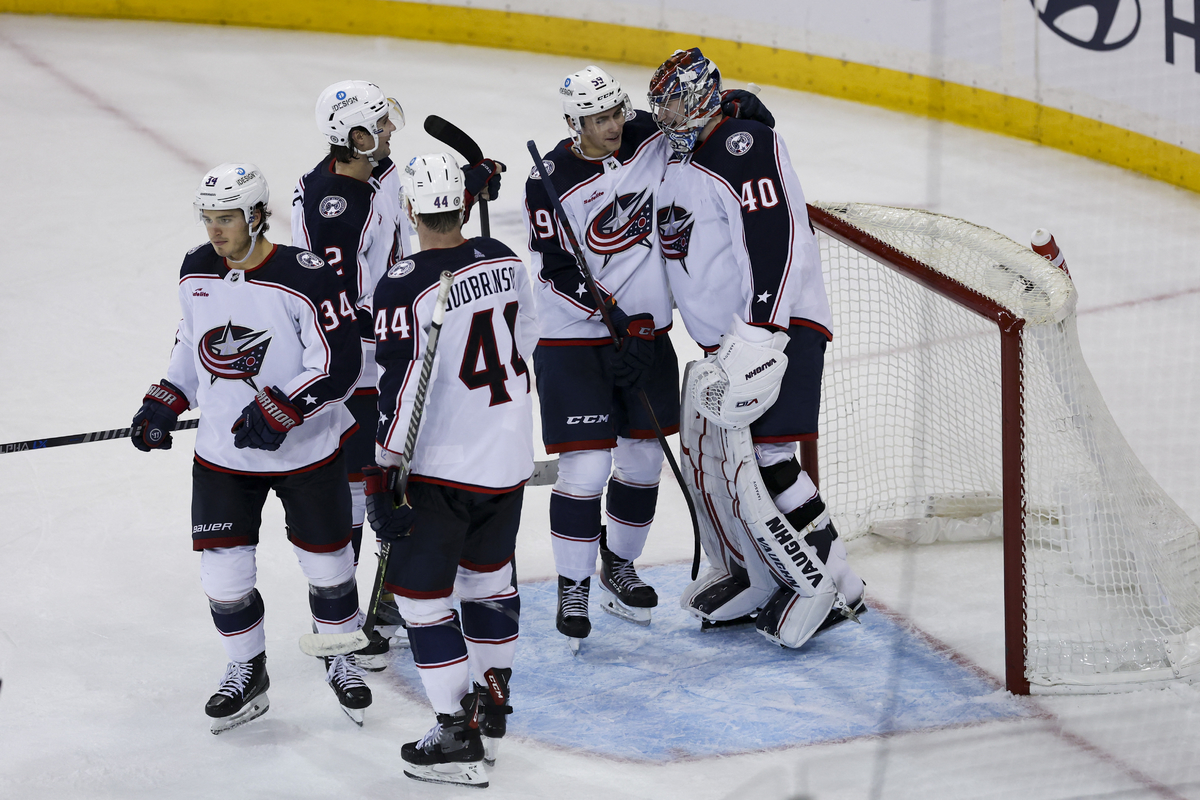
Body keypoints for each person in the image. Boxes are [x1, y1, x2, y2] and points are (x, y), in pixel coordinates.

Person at [523, 65, 775, 649]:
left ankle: (619, 564)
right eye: (598, 119)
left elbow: (695, 110)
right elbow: (558, 269)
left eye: (617, 113)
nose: (614, 126)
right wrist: (616, 319)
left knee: (640, 463)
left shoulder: (647, 134)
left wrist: (739, 104)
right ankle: (573, 585)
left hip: (648, 335)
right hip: (573, 338)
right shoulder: (551, 179)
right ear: (572, 122)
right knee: (586, 471)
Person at [130, 163, 372, 733]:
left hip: (305, 453)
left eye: (227, 219)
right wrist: (166, 397)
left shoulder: (304, 275)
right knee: (224, 579)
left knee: (330, 566)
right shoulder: (196, 269)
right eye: (208, 219)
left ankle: (341, 657)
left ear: (258, 216)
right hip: (223, 457)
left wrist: (285, 407)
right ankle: (247, 671)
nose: (215, 231)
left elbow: (339, 363)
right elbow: (192, 343)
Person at [648, 48, 867, 650]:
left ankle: (836, 580)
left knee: (769, 457)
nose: (661, 112)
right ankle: (760, 576)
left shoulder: (741, 145)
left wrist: (763, 329)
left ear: (697, 97)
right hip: (734, 340)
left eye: (670, 99)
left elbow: (776, 238)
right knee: (728, 462)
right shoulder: (683, 155)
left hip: (778, 329)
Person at [292, 81, 503, 664]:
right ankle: (359, 615)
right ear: (352, 138)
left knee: (393, 479)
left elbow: (411, 193)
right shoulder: (332, 208)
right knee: (367, 488)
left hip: (385, 350)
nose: (390, 133)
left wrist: (463, 187)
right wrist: (395, 337)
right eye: (379, 127)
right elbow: (334, 304)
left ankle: (384, 603)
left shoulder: (370, 171)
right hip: (353, 363)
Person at [365, 153, 535, 788]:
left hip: (443, 467)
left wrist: (381, 473)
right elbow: (530, 340)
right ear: (464, 205)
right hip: (509, 455)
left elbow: (400, 387)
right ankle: (493, 696)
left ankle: (454, 733)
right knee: (489, 581)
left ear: (409, 208)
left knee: (420, 597)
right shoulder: (506, 258)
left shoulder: (403, 285)